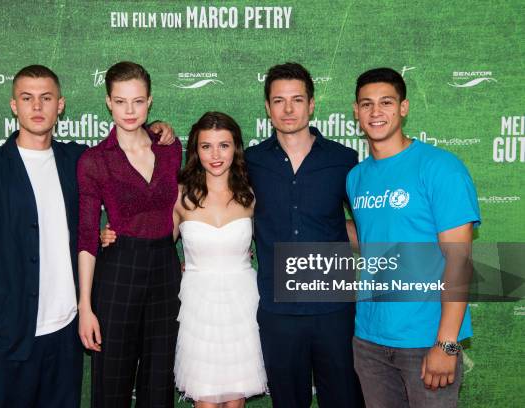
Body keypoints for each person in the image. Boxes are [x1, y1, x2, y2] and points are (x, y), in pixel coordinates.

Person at [0, 65, 86, 407]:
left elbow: (124, 149)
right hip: (9, 335)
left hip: (67, 334)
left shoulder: (77, 161)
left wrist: (156, 131)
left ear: (60, 105)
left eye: (46, 98)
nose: (37, 107)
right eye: (27, 98)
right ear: (14, 106)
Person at [347, 67, 480, 407]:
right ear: (356, 112)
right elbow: (372, 238)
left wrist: (446, 344)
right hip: (369, 341)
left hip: (426, 341)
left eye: (386, 102)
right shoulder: (356, 178)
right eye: (367, 104)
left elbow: (459, 259)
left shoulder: (440, 168)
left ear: (403, 108)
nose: (376, 112)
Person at [244, 62, 364, 407]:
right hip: (277, 307)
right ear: (267, 107)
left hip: (334, 307)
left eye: (297, 99)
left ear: (312, 104)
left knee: (344, 399)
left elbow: (365, 223)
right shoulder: (250, 161)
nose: (288, 108)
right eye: (279, 100)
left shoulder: (344, 159)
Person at [76, 61, 182, 407]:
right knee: (112, 383)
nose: (129, 110)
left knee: (160, 381)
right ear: (108, 102)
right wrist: (86, 306)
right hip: (119, 270)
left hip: (166, 270)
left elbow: (182, 209)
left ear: (150, 100)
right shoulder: (95, 160)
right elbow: (88, 236)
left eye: (137, 101)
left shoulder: (170, 148)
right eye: (121, 101)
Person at [173, 112, 267, 407]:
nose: (215, 155)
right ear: (195, 150)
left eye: (223, 145)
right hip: (198, 306)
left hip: (242, 304)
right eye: (206, 146)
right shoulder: (180, 196)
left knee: (235, 399)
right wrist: (111, 234)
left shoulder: (251, 195)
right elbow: (154, 246)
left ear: (235, 148)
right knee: (205, 400)